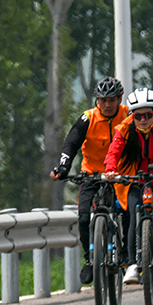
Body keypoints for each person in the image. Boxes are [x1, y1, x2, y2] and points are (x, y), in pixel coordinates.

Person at [50, 77, 128, 286]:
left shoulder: (128, 115)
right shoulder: (87, 119)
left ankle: (128, 253)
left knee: (129, 210)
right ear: (97, 101)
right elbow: (71, 144)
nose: (108, 105)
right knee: (84, 216)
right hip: (91, 174)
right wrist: (63, 168)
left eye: (112, 100)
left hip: (121, 174)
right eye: (103, 100)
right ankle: (90, 258)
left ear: (120, 99)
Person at [104, 88, 153, 285]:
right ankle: (132, 264)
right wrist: (111, 170)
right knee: (131, 214)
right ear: (132, 116)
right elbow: (113, 152)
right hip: (135, 178)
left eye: (148, 115)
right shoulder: (124, 129)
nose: (143, 119)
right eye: (138, 116)